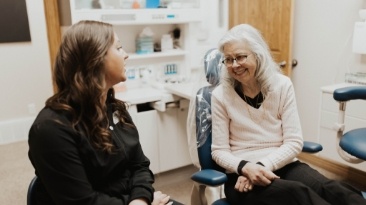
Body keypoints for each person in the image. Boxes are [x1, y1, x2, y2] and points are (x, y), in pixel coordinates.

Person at [210, 24, 366, 205]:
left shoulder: (282, 85)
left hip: (284, 163)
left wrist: (260, 167)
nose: (234, 65)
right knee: (296, 193)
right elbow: (219, 151)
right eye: (228, 60)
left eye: (240, 57)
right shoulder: (220, 95)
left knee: (330, 188)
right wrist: (246, 168)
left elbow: (294, 142)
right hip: (240, 177)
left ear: (258, 55)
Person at [28, 20, 175, 205]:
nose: (126, 55)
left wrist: (141, 200)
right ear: (95, 58)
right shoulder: (51, 129)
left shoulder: (115, 109)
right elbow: (82, 201)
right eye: (119, 48)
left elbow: (139, 166)